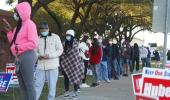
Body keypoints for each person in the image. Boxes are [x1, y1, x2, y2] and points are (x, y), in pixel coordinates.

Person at [3, 2, 38, 100]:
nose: (15, 14)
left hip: (27, 56)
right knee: (22, 86)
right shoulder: (18, 27)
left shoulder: (30, 25)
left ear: (22, 12)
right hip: (18, 57)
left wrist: (19, 47)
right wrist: (9, 32)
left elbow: (33, 43)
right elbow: (13, 42)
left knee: (29, 85)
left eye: (16, 12)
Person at [34, 22, 63, 100]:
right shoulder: (37, 38)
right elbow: (34, 51)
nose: (43, 31)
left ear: (48, 28)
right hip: (40, 66)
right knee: (37, 85)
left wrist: (50, 56)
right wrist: (38, 56)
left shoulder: (55, 37)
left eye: (45, 29)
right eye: (42, 30)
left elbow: (60, 50)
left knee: (52, 86)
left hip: (52, 66)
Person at [60, 29, 84, 99]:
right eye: (67, 35)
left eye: (69, 36)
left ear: (72, 36)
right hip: (65, 65)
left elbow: (76, 55)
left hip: (75, 65)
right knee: (66, 79)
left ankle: (75, 92)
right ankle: (66, 92)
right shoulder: (63, 44)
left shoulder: (76, 44)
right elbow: (61, 53)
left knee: (75, 78)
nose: (68, 37)